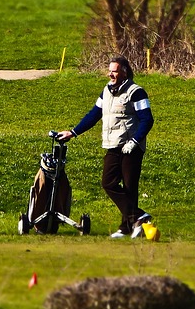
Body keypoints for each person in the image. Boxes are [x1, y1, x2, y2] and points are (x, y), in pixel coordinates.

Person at [57, 56, 154, 238]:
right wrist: (73, 132)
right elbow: (94, 114)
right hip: (113, 145)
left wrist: (134, 141)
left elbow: (147, 119)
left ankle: (128, 227)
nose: (110, 74)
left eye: (114, 71)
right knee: (108, 183)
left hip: (131, 147)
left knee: (130, 187)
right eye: (109, 70)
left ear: (124, 71)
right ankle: (138, 216)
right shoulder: (106, 91)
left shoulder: (136, 92)